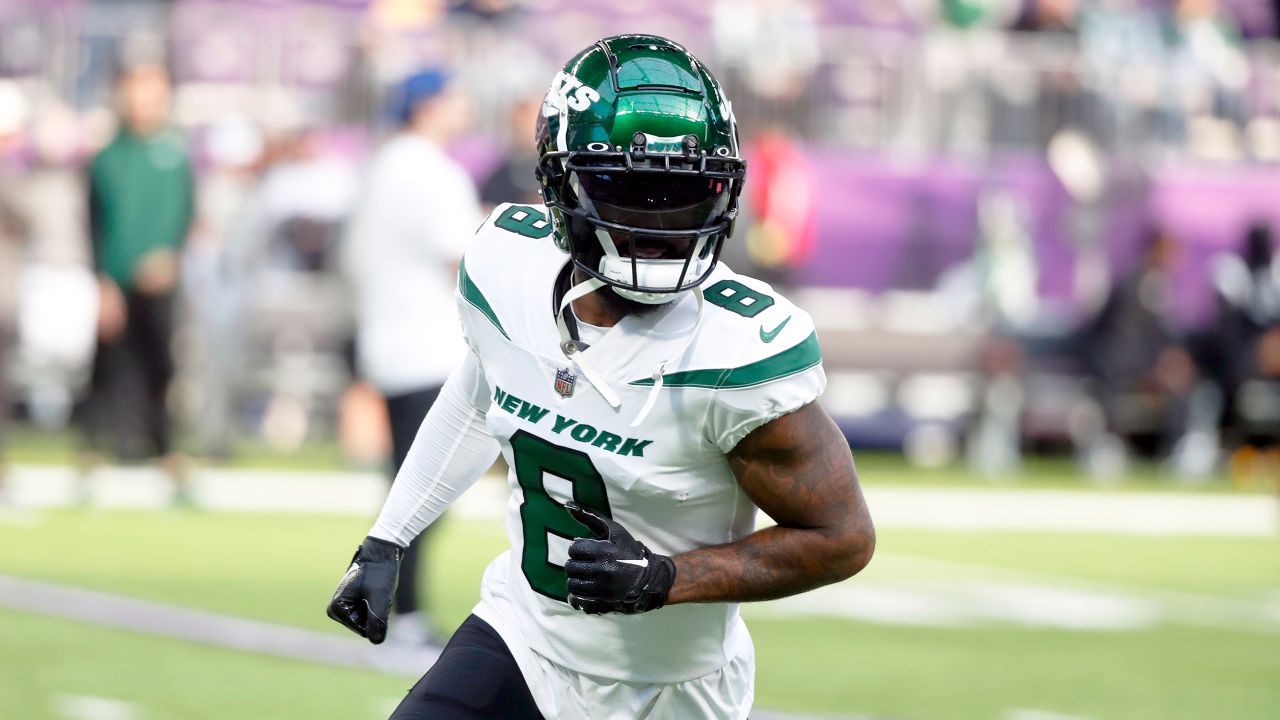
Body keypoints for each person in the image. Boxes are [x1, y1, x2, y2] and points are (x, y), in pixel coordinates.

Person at [327, 35, 875, 720]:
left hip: (673, 686)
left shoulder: (736, 351)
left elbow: (842, 536)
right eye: (627, 189)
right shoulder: (508, 269)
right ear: (560, 186)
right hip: (524, 637)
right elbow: (479, 393)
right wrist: (389, 536)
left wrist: (666, 576)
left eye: (682, 194)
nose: (655, 225)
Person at [345, 68, 482, 645]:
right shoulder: (431, 170)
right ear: (428, 106)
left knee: (410, 483)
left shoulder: (384, 164)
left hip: (393, 339)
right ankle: (401, 613)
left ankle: (398, 609)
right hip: (429, 345)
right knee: (423, 489)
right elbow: (466, 256)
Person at [83, 63, 193, 498]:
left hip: (160, 279)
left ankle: (163, 449)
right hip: (116, 278)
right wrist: (104, 280)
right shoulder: (107, 156)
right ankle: (97, 448)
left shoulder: (175, 153)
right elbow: (94, 224)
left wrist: (171, 256)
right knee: (109, 365)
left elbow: (185, 214)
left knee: (161, 364)